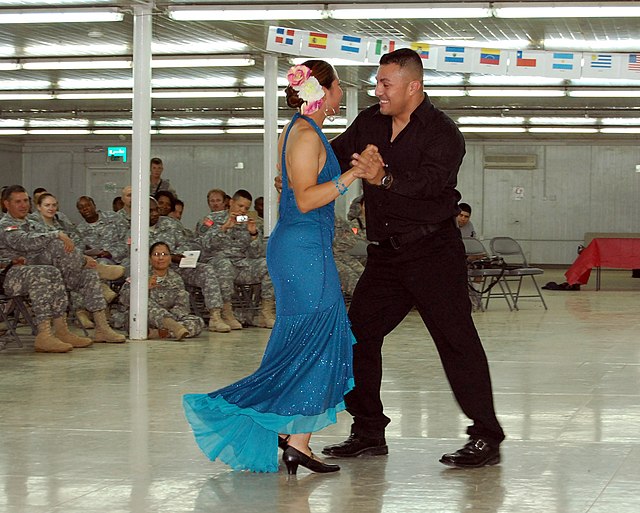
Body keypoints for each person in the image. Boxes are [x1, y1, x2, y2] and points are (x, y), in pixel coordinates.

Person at [183, 60, 380, 474]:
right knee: (320, 337)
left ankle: (298, 442)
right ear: (322, 92)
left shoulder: (299, 130)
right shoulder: (306, 135)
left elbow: (292, 188)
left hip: (302, 246)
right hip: (304, 249)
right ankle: (246, 410)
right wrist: (353, 175)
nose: (342, 93)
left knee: (316, 339)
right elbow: (307, 199)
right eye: (338, 86)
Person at [321, 48, 505, 468]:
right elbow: (333, 152)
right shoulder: (370, 121)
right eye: (377, 83)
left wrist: (382, 177)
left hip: (433, 253)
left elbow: (428, 184)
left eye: (386, 84)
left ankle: (486, 437)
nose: (378, 91)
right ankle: (368, 430)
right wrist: (301, 170)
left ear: (413, 86)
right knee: (356, 337)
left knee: (456, 341)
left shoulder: (442, 133)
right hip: (386, 258)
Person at [0, 185, 126, 344]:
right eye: (18, 201)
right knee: (53, 257)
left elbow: (52, 240)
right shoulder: (6, 225)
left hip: (39, 268)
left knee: (88, 274)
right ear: (6, 204)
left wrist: (72, 248)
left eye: (25, 200)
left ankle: (101, 329)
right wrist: (57, 234)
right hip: (12, 275)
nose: (23, 205)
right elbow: (25, 242)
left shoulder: (31, 222)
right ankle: (45, 335)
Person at [197, 189, 275, 329]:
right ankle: (227, 314)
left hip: (241, 264)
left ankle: (266, 313)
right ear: (231, 202)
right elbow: (204, 244)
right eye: (240, 206)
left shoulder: (248, 223)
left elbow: (257, 254)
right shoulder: (212, 219)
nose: (243, 210)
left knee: (269, 265)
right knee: (225, 264)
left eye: (246, 208)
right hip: (217, 262)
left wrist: (253, 234)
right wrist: (224, 228)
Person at [118, 241, 204, 340]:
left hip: (169, 319)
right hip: (141, 319)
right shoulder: (140, 275)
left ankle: (161, 333)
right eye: (156, 254)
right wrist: (144, 287)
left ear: (170, 258)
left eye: (165, 254)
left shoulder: (176, 279)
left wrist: (170, 316)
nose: (161, 258)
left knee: (197, 322)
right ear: (149, 258)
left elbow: (182, 307)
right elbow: (124, 298)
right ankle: (173, 328)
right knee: (143, 302)